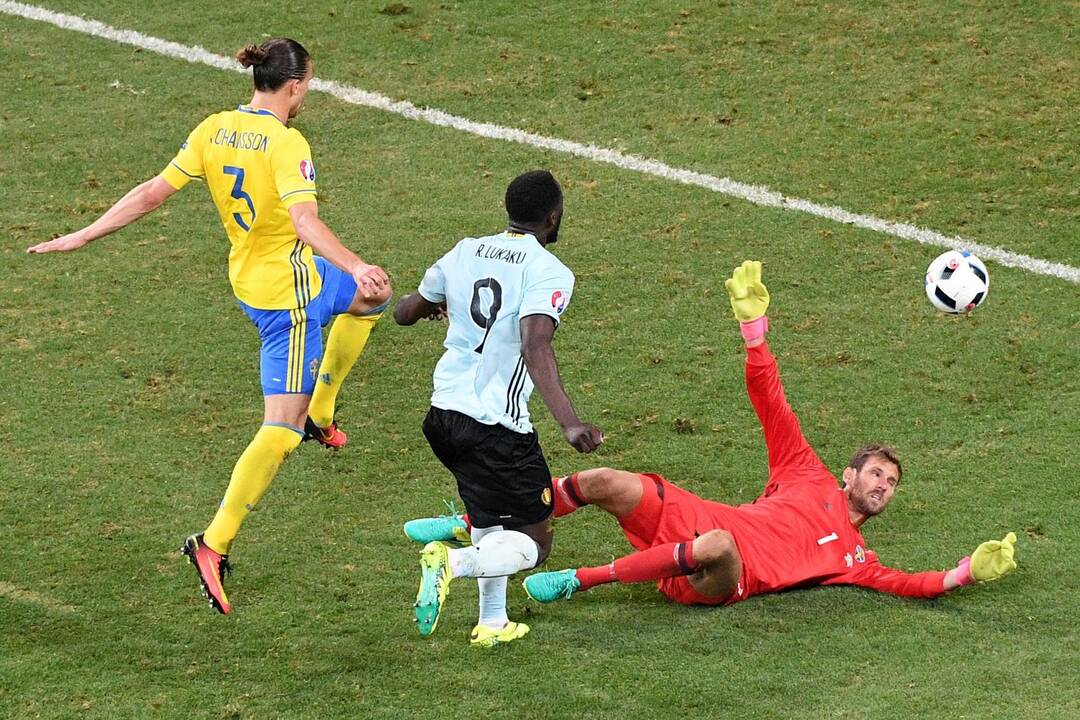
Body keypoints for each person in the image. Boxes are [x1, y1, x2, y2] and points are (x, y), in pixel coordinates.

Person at [26, 39, 392, 615]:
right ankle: (214, 542)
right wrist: (355, 262)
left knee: (375, 299)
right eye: (309, 84)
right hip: (289, 298)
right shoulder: (287, 141)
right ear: (294, 85)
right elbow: (303, 219)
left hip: (252, 277)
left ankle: (323, 409)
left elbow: (152, 193)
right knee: (280, 429)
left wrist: (84, 234)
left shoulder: (215, 128)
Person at [518, 261, 1018, 606]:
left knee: (718, 543)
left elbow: (912, 584)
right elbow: (770, 401)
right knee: (606, 479)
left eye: (891, 483)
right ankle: (487, 522)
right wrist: (753, 330)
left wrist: (965, 573)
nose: (883, 485)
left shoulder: (856, 559)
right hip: (698, 519)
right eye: (877, 474)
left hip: (722, 573)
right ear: (849, 474)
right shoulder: (804, 472)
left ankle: (578, 581)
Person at [393, 170, 604, 647]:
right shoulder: (549, 270)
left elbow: (407, 312)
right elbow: (535, 342)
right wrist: (570, 424)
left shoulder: (465, 249)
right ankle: (453, 563)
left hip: (443, 415)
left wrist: (428, 306)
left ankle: (492, 622)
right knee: (534, 543)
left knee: (489, 521)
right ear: (553, 217)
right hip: (496, 426)